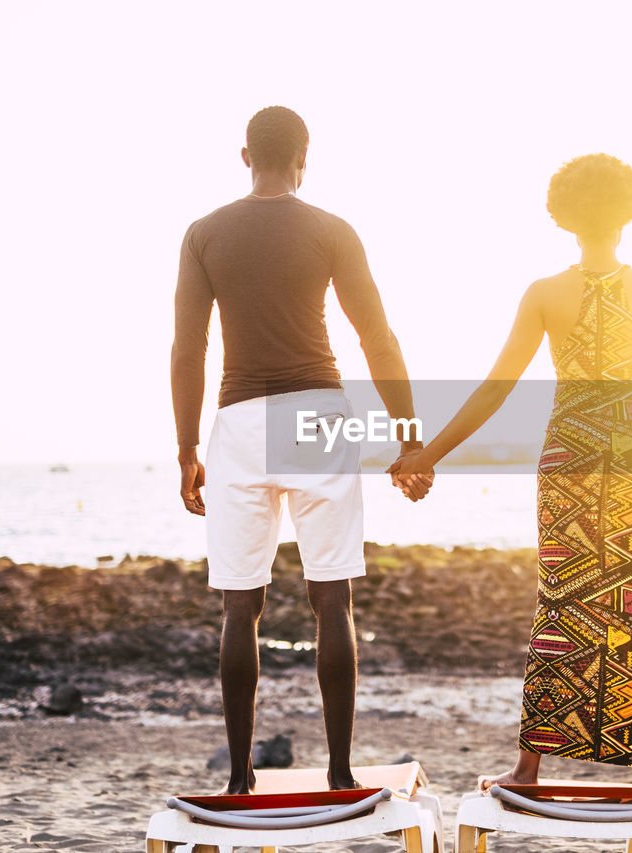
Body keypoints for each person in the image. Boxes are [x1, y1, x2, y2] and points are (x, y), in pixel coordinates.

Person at [389, 154, 632, 786]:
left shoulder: (546, 294)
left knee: (560, 604)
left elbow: (497, 389)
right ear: (629, 212)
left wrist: (427, 455)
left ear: (564, 217)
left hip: (573, 461)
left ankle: (529, 766)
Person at [171, 106, 428, 794]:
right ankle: (341, 769)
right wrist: (409, 438)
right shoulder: (332, 230)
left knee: (239, 605)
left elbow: (188, 347)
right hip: (319, 412)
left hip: (240, 418)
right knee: (332, 598)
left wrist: (185, 447)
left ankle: (239, 777)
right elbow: (379, 338)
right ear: (304, 157)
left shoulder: (204, 233)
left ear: (245, 155)